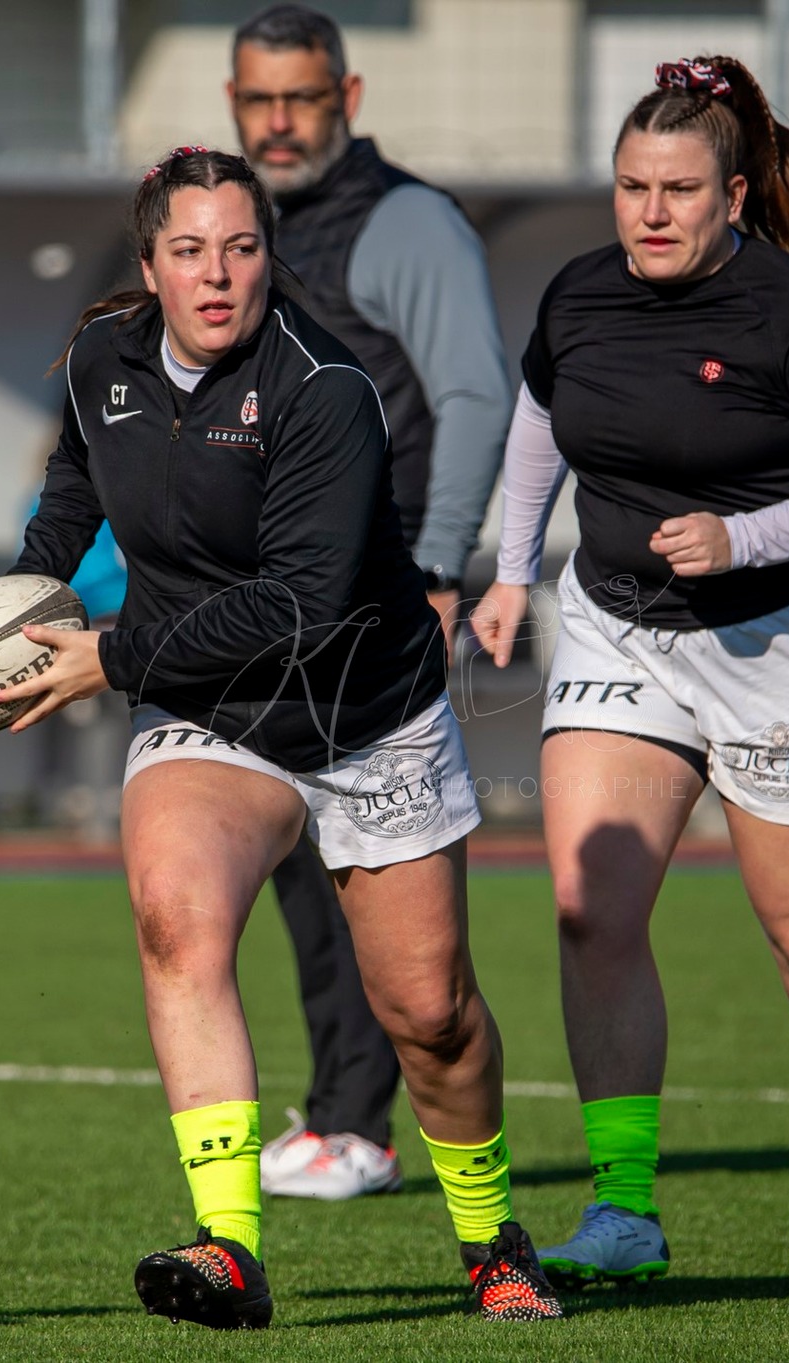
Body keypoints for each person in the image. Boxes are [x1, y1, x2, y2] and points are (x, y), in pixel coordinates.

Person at [0, 148, 561, 1326]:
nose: (217, 276)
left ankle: (493, 1241)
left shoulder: (324, 390)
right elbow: (70, 489)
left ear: (270, 258)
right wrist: (13, 602)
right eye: (189, 251)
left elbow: (296, 607)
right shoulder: (101, 361)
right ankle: (230, 1251)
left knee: (429, 1013)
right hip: (212, 712)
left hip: (363, 709)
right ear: (147, 264)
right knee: (174, 917)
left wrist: (112, 656)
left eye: (241, 249)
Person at [470, 56, 789, 1294]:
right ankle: (623, 1206)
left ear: (732, 194)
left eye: (677, 189)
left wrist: (745, 537)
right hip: (622, 627)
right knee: (587, 906)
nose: (649, 213)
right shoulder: (579, 295)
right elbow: (534, 420)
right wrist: (511, 570)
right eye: (629, 187)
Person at [219, 3, 513, 1200]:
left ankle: (361, 1123)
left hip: (375, 595)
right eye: (256, 102)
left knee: (367, 867)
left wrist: (439, 566)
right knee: (293, 860)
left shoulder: (405, 223)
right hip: (268, 598)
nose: (277, 123)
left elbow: (473, 398)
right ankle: (345, 1108)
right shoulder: (236, 228)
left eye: (299, 99)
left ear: (346, 100)